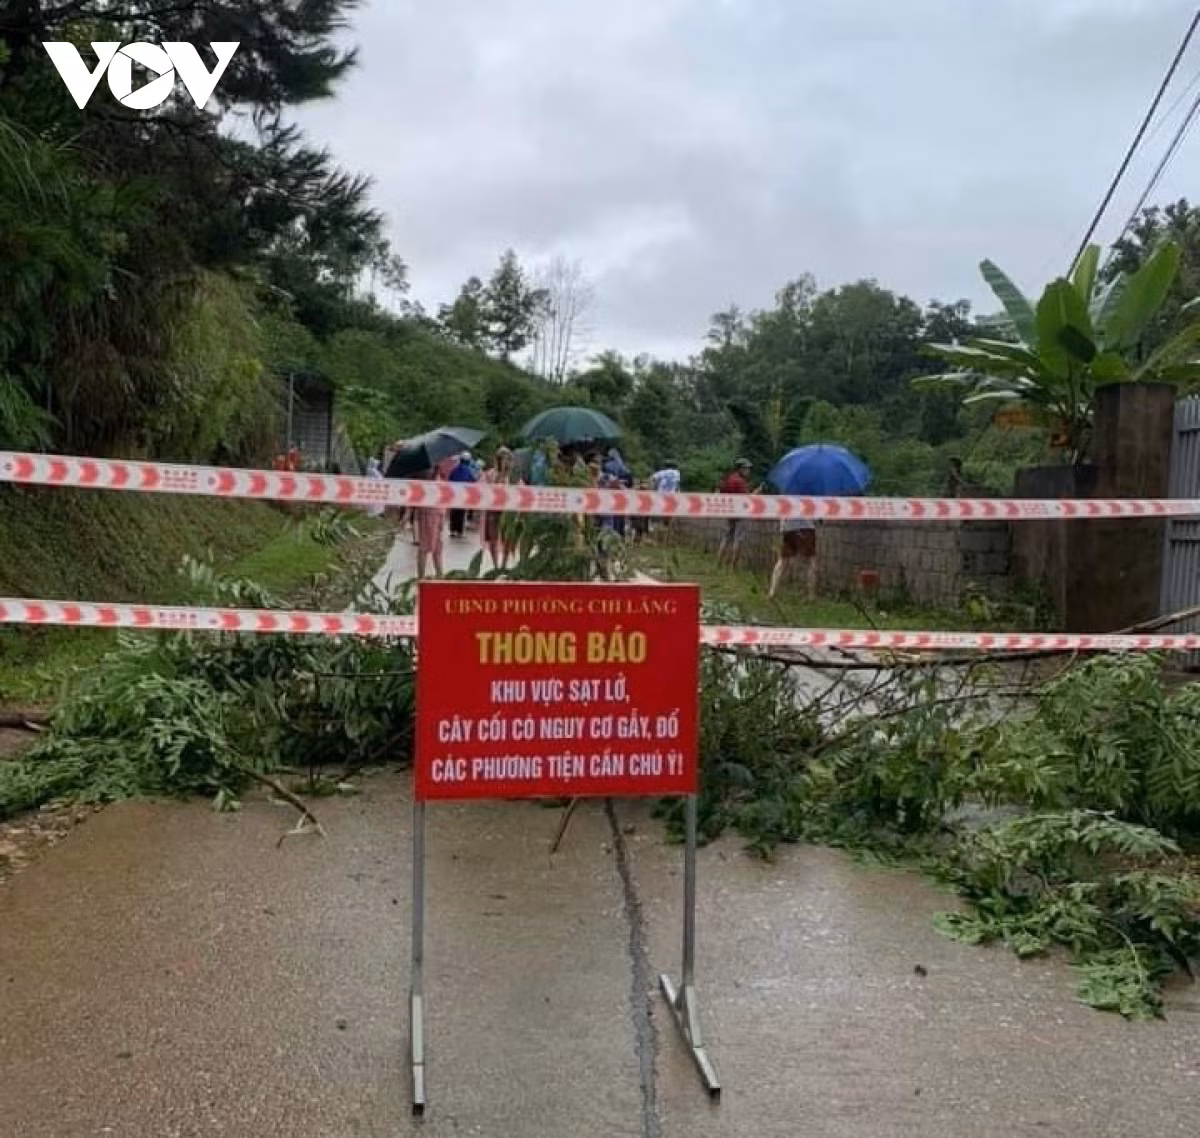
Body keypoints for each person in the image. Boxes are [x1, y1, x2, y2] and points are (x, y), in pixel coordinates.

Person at [481, 446, 517, 570]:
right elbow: (486, 488)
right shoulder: (491, 474)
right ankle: (495, 565)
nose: (504, 461)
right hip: (493, 510)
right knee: (493, 539)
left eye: (507, 458)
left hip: (507, 511)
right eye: (502, 458)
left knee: (507, 538)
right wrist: (500, 474)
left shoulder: (513, 477)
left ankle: (504, 564)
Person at [770, 515, 818, 600]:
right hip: (805, 527)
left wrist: (782, 525)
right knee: (811, 561)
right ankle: (811, 595)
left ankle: (772, 592)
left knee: (783, 561)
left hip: (788, 527)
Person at [716, 458, 753, 567]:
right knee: (739, 539)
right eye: (746, 468)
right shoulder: (740, 482)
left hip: (730, 511)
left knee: (726, 537)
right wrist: (755, 494)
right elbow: (745, 498)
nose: (748, 471)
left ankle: (719, 562)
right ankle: (733, 565)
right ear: (740, 469)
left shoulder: (729, 479)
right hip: (741, 512)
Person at [414, 468, 445, 579]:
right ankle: (422, 576)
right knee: (425, 547)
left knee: (436, 547)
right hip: (428, 514)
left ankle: (439, 574)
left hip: (434, 513)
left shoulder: (436, 479)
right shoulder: (428, 479)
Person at [447, 452, 477, 538]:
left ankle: (452, 530)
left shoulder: (454, 469)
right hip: (464, 495)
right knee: (461, 513)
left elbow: (449, 480)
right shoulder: (469, 471)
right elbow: (473, 481)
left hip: (454, 494)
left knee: (454, 512)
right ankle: (459, 531)